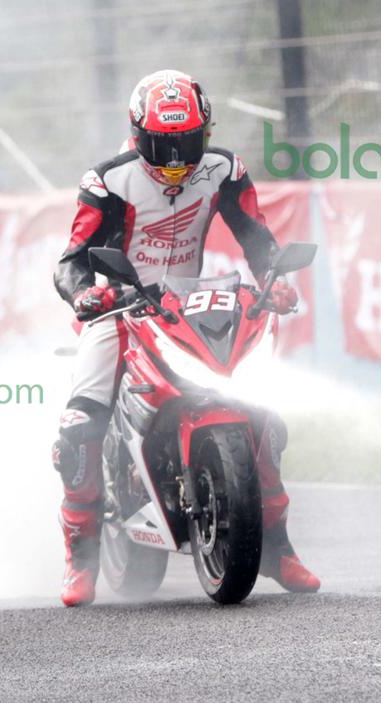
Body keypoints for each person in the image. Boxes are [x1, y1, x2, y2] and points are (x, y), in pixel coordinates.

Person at [52, 70, 321, 607]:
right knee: (80, 426)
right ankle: (80, 557)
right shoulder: (106, 181)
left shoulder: (224, 169)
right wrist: (86, 294)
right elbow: (71, 261)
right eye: (162, 143)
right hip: (120, 306)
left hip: (187, 301)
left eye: (187, 142)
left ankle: (277, 546)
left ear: (207, 130)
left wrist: (275, 280)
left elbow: (256, 237)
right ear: (137, 133)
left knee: (264, 412)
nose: (176, 157)